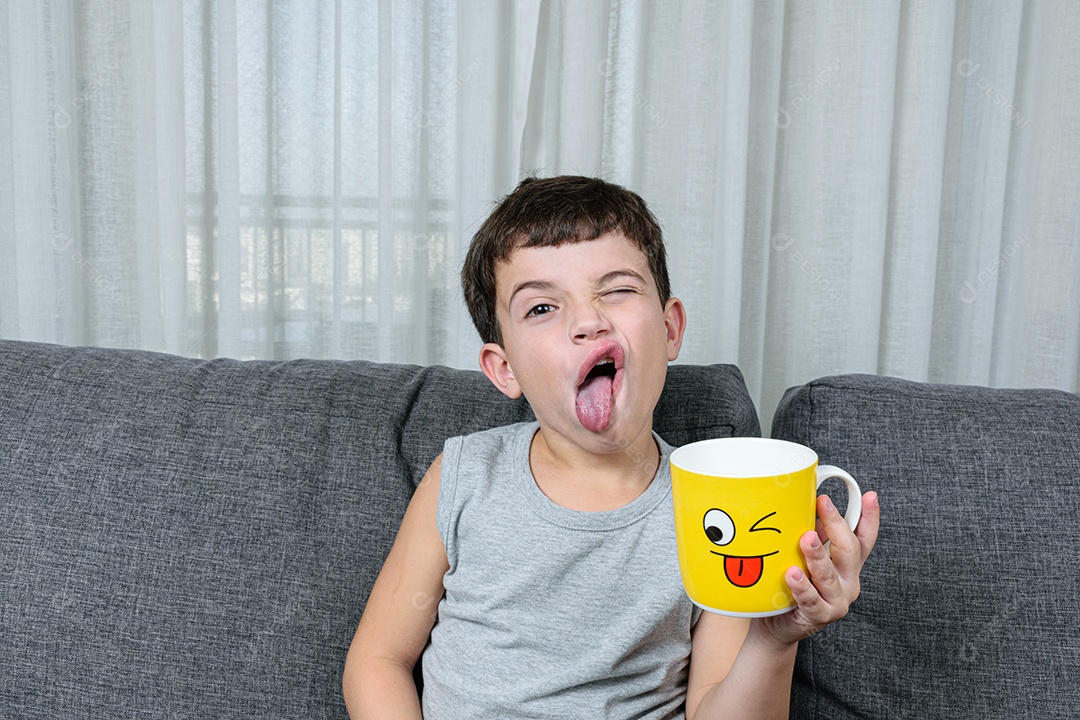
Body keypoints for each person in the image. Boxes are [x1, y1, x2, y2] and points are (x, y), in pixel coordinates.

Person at [342, 176, 880, 719]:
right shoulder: (461, 475)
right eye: (541, 308)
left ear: (669, 329)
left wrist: (774, 638)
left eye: (616, 290)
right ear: (504, 369)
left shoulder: (716, 507)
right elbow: (378, 660)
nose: (587, 320)